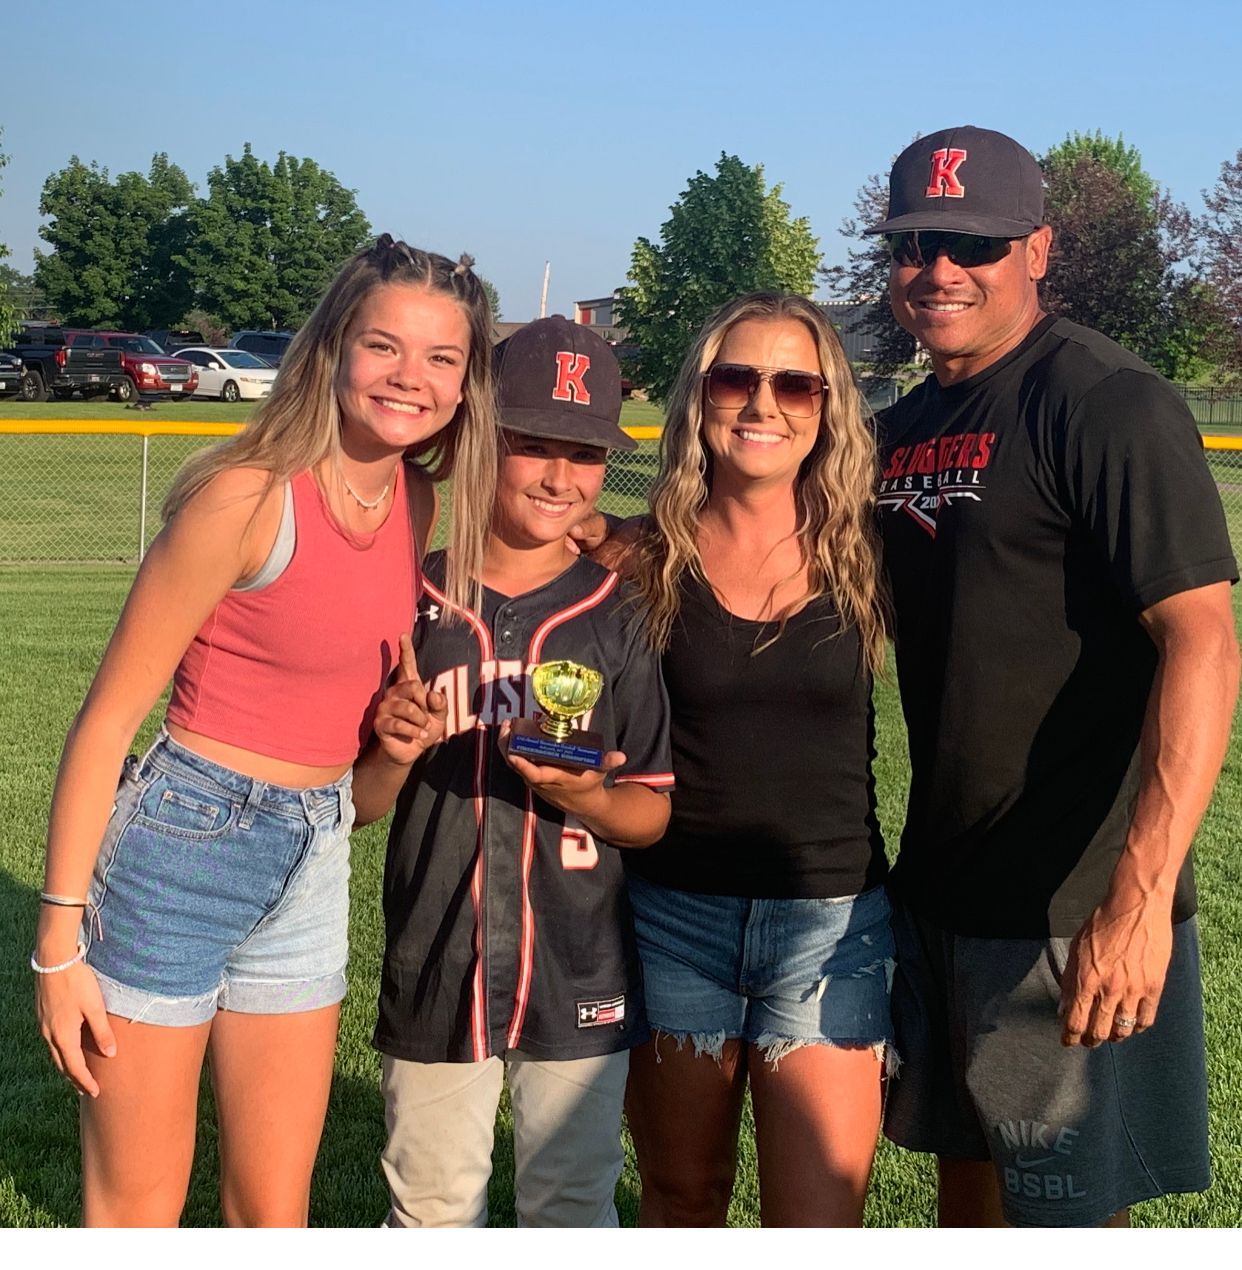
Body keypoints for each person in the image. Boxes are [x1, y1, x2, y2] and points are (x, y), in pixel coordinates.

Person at [32, 235, 498, 1227]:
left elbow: (357, 799)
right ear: (332, 349)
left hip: (315, 851)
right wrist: (57, 944)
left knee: (273, 1212)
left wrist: (395, 746)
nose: (410, 377)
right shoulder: (244, 496)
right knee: (137, 1211)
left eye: (441, 358)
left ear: (466, 386)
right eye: (384, 346)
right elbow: (108, 722)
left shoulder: (416, 499)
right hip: (181, 849)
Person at [865, 125, 1240, 1227]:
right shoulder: (907, 423)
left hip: (1070, 906)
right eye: (917, 241)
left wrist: (1139, 897)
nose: (940, 269)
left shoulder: (1105, 402)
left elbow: (1204, 640)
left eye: (973, 244)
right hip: (942, 885)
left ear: (1038, 249)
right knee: (970, 1192)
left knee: (1068, 1215)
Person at [351, 315, 675, 1228]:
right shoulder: (410, 596)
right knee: (430, 1205)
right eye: (533, 446)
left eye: (584, 453)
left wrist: (586, 797)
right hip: (437, 954)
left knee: (572, 1201)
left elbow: (649, 813)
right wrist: (391, 750)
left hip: (581, 959)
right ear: (482, 439)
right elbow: (360, 805)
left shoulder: (620, 610)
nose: (559, 477)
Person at [617, 293, 894, 1227]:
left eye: (794, 385)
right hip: (672, 918)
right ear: (701, 396)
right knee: (683, 1198)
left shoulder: (876, 552)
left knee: (819, 1217)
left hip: (834, 924)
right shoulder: (640, 558)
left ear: (828, 408)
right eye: (737, 378)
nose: (762, 404)